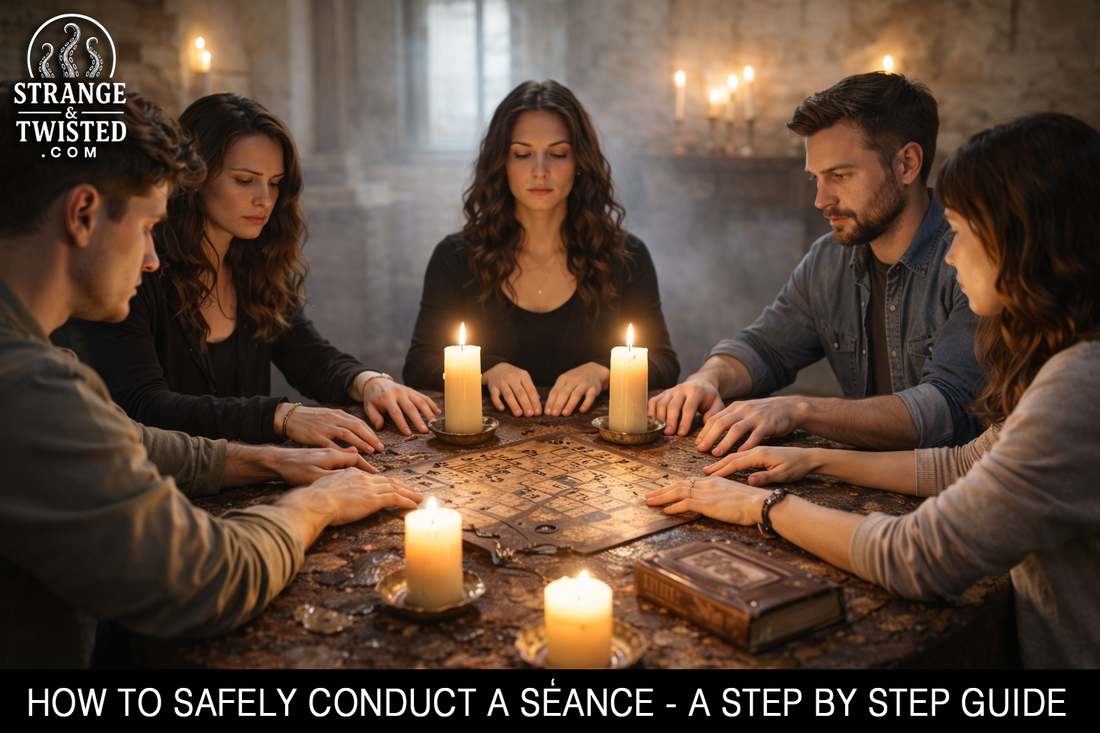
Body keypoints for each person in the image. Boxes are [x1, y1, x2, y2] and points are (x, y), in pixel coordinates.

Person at [646, 113, 1100, 667]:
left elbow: (918, 557)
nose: (953, 252)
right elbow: (965, 464)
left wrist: (762, 506)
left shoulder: (1080, 385)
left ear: (1024, 239)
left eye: (962, 230)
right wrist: (809, 460)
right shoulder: (1064, 361)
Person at [0, 83, 422, 668]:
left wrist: (269, 458)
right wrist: (314, 503)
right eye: (148, 225)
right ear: (82, 214)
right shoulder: (30, 386)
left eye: (273, 185)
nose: (151, 256)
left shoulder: (35, 364)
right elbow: (206, 579)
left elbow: (126, 439)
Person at [55, 93, 439, 452]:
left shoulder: (254, 265)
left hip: (252, 478)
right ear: (194, 177)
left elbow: (308, 356)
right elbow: (144, 406)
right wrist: (279, 415)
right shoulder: (138, 270)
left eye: (274, 184)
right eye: (244, 180)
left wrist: (368, 381)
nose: (265, 200)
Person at [649, 72, 984, 455]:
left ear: (907, 164)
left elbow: (947, 411)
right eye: (816, 178)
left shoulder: (974, 261)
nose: (821, 200)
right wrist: (707, 379)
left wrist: (800, 409)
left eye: (840, 175)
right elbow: (765, 348)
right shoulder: (829, 259)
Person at [402, 80, 678, 419]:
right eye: (522, 154)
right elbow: (418, 366)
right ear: (501, 163)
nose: (540, 171)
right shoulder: (456, 256)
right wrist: (486, 370)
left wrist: (603, 371)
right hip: (484, 459)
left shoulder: (626, 256)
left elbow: (665, 363)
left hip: (602, 460)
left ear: (580, 161)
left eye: (558, 154)